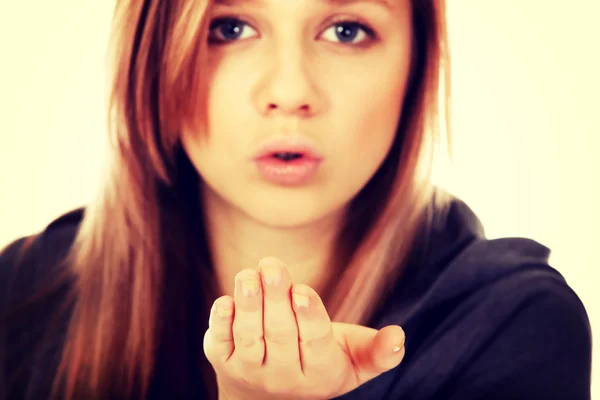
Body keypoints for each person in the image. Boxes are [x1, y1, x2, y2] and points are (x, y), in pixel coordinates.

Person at [0, 0, 592, 399]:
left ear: (416, 62)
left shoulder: (519, 326)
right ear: (152, 55)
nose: (289, 91)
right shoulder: (20, 295)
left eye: (346, 30)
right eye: (230, 28)